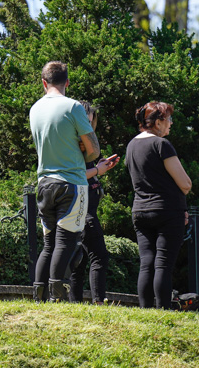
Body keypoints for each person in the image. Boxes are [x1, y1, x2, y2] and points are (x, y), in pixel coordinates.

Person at [29, 61, 102, 302]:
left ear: (43, 82)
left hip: (44, 184)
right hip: (71, 183)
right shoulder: (73, 107)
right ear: (67, 82)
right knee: (67, 243)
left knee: (49, 245)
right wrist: (83, 149)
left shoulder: (34, 109)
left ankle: (39, 297)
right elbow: (93, 151)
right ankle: (57, 298)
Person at [125, 101, 192, 308]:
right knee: (163, 263)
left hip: (140, 210)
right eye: (168, 119)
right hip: (167, 211)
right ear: (157, 122)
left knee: (147, 262)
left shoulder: (131, 145)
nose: (171, 123)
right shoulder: (161, 145)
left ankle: (146, 310)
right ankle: (162, 309)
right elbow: (185, 184)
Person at [69, 101, 120, 304]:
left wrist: (99, 167)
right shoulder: (75, 144)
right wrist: (99, 170)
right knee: (99, 256)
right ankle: (99, 301)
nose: (88, 126)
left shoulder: (85, 146)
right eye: (85, 121)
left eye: (91, 121)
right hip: (82, 208)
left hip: (84, 207)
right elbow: (77, 174)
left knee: (79, 261)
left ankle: (76, 304)